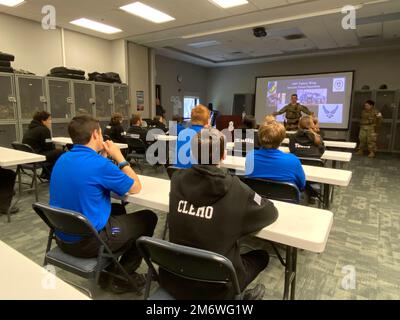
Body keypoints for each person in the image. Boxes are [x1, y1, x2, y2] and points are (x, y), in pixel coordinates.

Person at [160, 128, 278, 300]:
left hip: (175, 275)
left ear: (192, 153)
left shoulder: (176, 179)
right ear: (223, 155)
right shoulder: (238, 189)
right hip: (218, 288)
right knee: (261, 256)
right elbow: (270, 213)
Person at [49, 115, 158, 293]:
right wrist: (119, 156)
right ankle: (122, 279)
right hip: (90, 241)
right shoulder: (99, 164)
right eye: (100, 132)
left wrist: (104, 160)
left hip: (62, 236)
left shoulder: (63, 159)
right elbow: (136, 187)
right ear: (95, 135)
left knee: (118, 209)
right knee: (148, 218)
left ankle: (111, 268)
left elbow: (87, 181)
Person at [245, 120, 306, 192]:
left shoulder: (250, 156)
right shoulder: (293, 160)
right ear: (281, 140)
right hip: (285, 201)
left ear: (259, 137)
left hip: (257, 200)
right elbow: (302, 185)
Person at [22, 111, 63, 179]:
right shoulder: (44, 130)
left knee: (53, 152)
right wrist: (54, 147)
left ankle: (46, 173)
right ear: (43, 121)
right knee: (60, 152)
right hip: (36, 157)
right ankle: (53, 175)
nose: (50, 121)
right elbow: (48, 146)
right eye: (49, 119)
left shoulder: (30, 128)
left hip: (28, 156)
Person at [175, 104, 210, 168]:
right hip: (195, 175)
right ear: (207, 121)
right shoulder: (207, 135)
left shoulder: (182, 133)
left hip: (177, 173)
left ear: (191, 119)